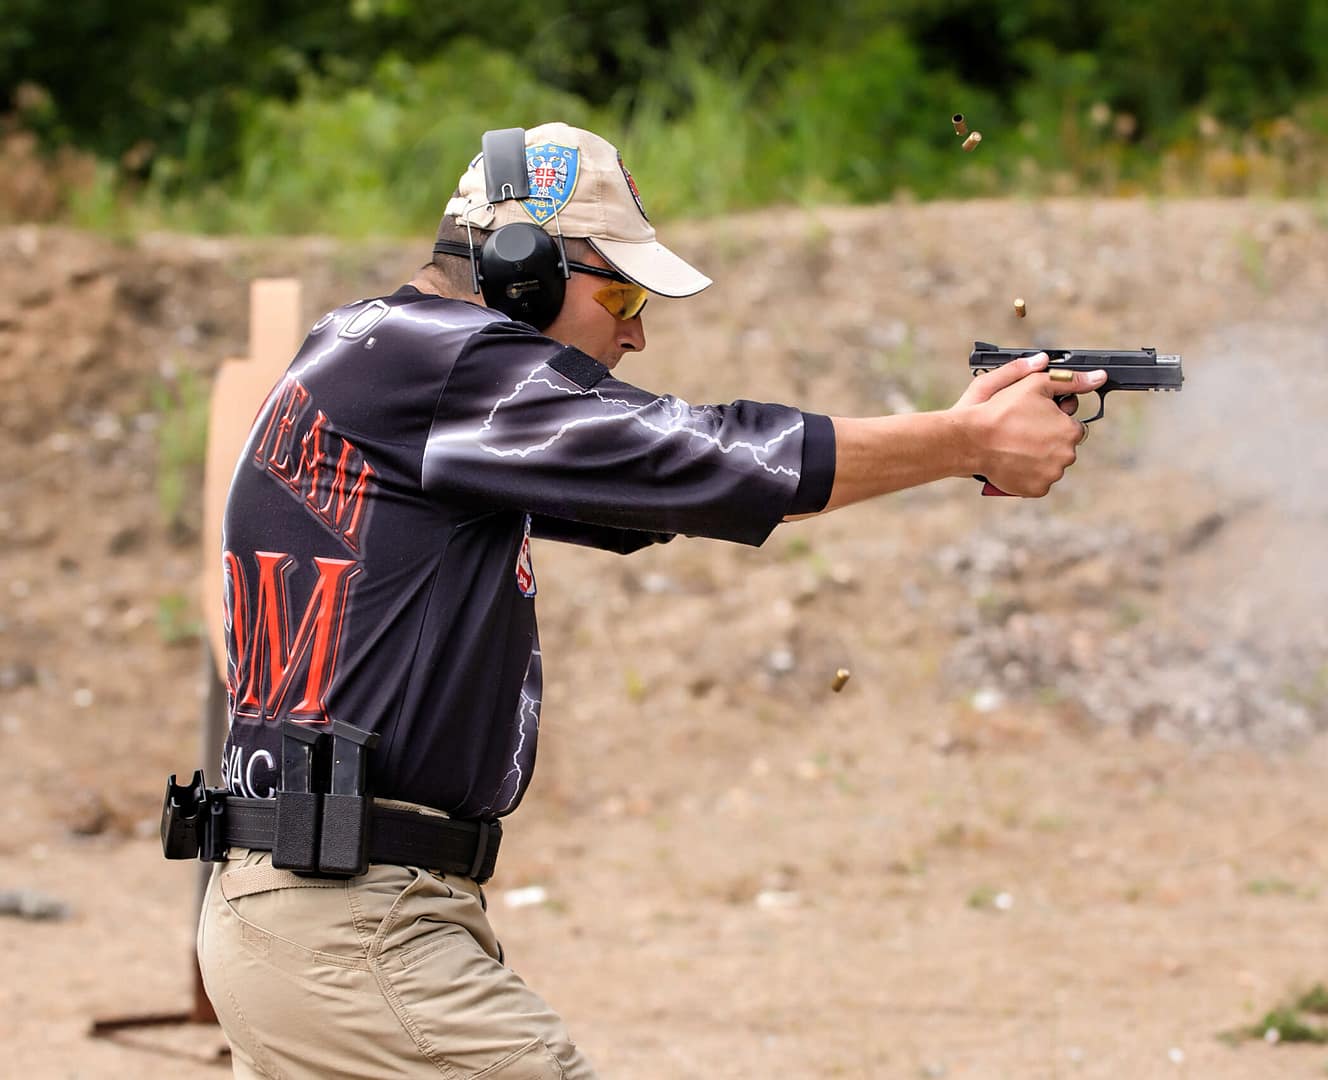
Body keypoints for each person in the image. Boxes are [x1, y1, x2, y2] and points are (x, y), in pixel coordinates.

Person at [190, 121, 1097, 1079]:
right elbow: (705, 456)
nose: (635, 329)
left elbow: (668, 490)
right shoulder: (445, 360)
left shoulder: (371, 353)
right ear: (523, 270)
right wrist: (966, 446)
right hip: (346, 923)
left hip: (313, 911)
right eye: (618, 289)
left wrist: (955, 432)